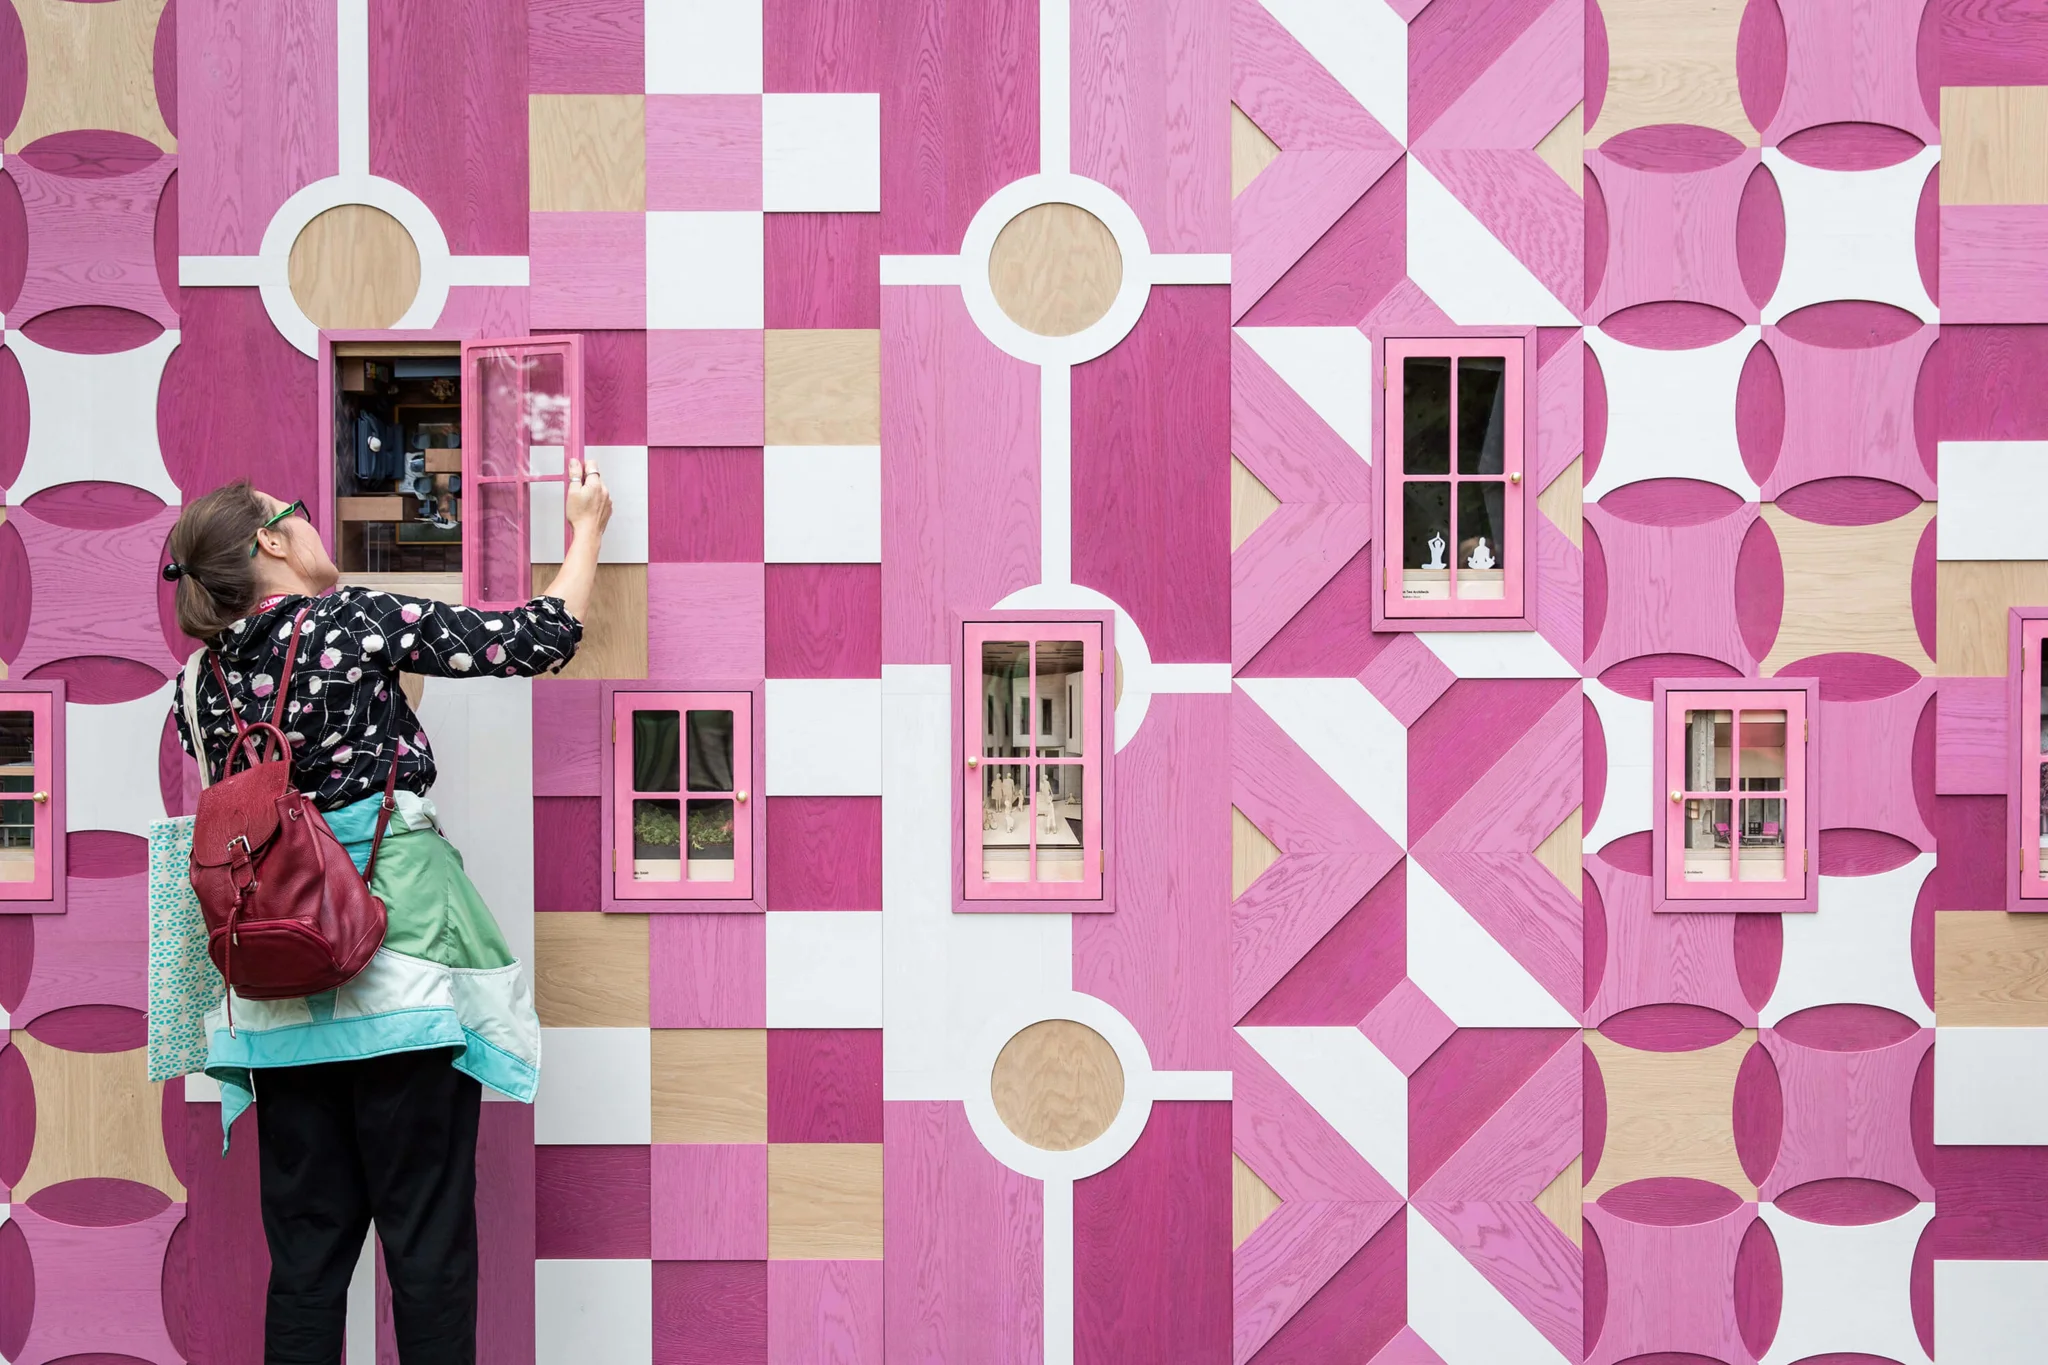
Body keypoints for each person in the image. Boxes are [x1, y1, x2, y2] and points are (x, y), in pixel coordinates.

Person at [162, 458, 613, 1364]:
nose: (311, 521)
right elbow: (536, 636)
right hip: (394, 971)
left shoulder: (195, 688)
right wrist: (588, 527)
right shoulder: (354, 618)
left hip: (278, 1003)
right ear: (270, 538)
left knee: (305, 1268)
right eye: (296, 511)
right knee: (428, 1251)